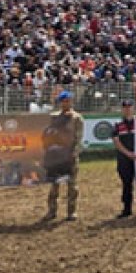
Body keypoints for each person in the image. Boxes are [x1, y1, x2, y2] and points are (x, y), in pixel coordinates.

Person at [42, 90, 84, 222]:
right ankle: (52, 211)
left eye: (68, 100)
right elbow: (47, 134)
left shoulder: (77, 118)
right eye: (63, 101)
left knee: (72, 185)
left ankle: (72, 211)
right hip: (56, 156)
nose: (66, 103)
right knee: (54, 184)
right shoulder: (53, 117)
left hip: (70, 155)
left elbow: (78, 137)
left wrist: (74, 152)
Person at [111, 99, 136, 219]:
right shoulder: (117, 125)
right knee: (127, 185)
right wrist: (128, 154)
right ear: (122, 109)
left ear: (133, 108)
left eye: (129, 107)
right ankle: (127, 209)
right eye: (125, 107)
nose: (127, 109)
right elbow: (116, 142)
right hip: (124, 160)